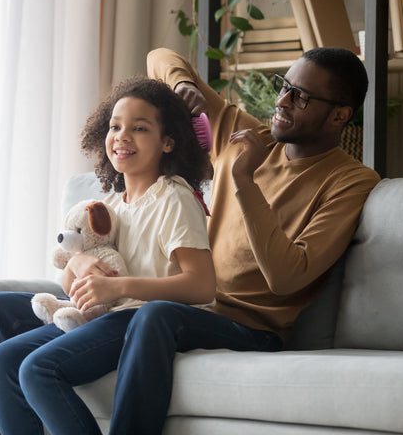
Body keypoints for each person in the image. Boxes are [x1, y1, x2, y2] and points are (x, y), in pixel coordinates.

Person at [76, 47, 380, 434]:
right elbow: (159, 57)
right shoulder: (245, 135)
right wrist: (186, 86)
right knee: (6, 313)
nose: (281, 102)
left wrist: (243, 181)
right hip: (196, 309)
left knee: (155, 313)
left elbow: (287, 278)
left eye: (299, 96)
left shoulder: (350, 181)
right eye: (283, 86)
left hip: (251, 329)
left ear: (340, 115)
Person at [0, 76, 216, 435]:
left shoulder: (173, 198)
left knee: (34, 368)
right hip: (105, 313)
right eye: (115, 126)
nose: (122, 136)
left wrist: (116, 288)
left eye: (139, 128)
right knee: (1, 350)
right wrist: (76, 262)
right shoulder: (108, 205)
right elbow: (70, 283)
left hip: (136, 319)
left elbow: (202, 285)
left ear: (168, 142)